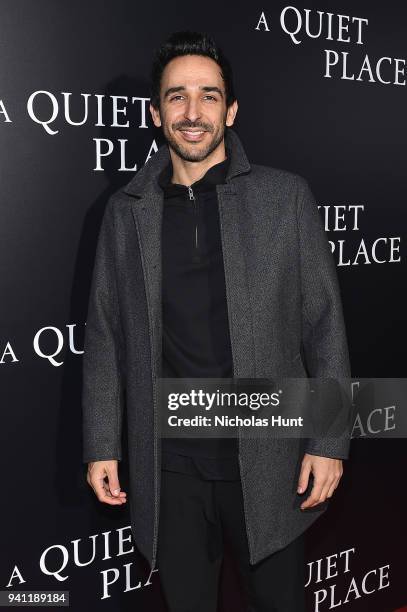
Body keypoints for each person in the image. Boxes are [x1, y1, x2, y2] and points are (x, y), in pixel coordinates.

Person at [82, 30, 351, 612]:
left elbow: (324, 326)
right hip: (170, 468)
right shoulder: (125, 212)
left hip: (270, 459)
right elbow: (105, 335)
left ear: (230, 109)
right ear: (156, 114)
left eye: (209, 96)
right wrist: (102, 443)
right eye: (177, 97)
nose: (193, 112)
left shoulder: (284, 199)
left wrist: (330, 439)